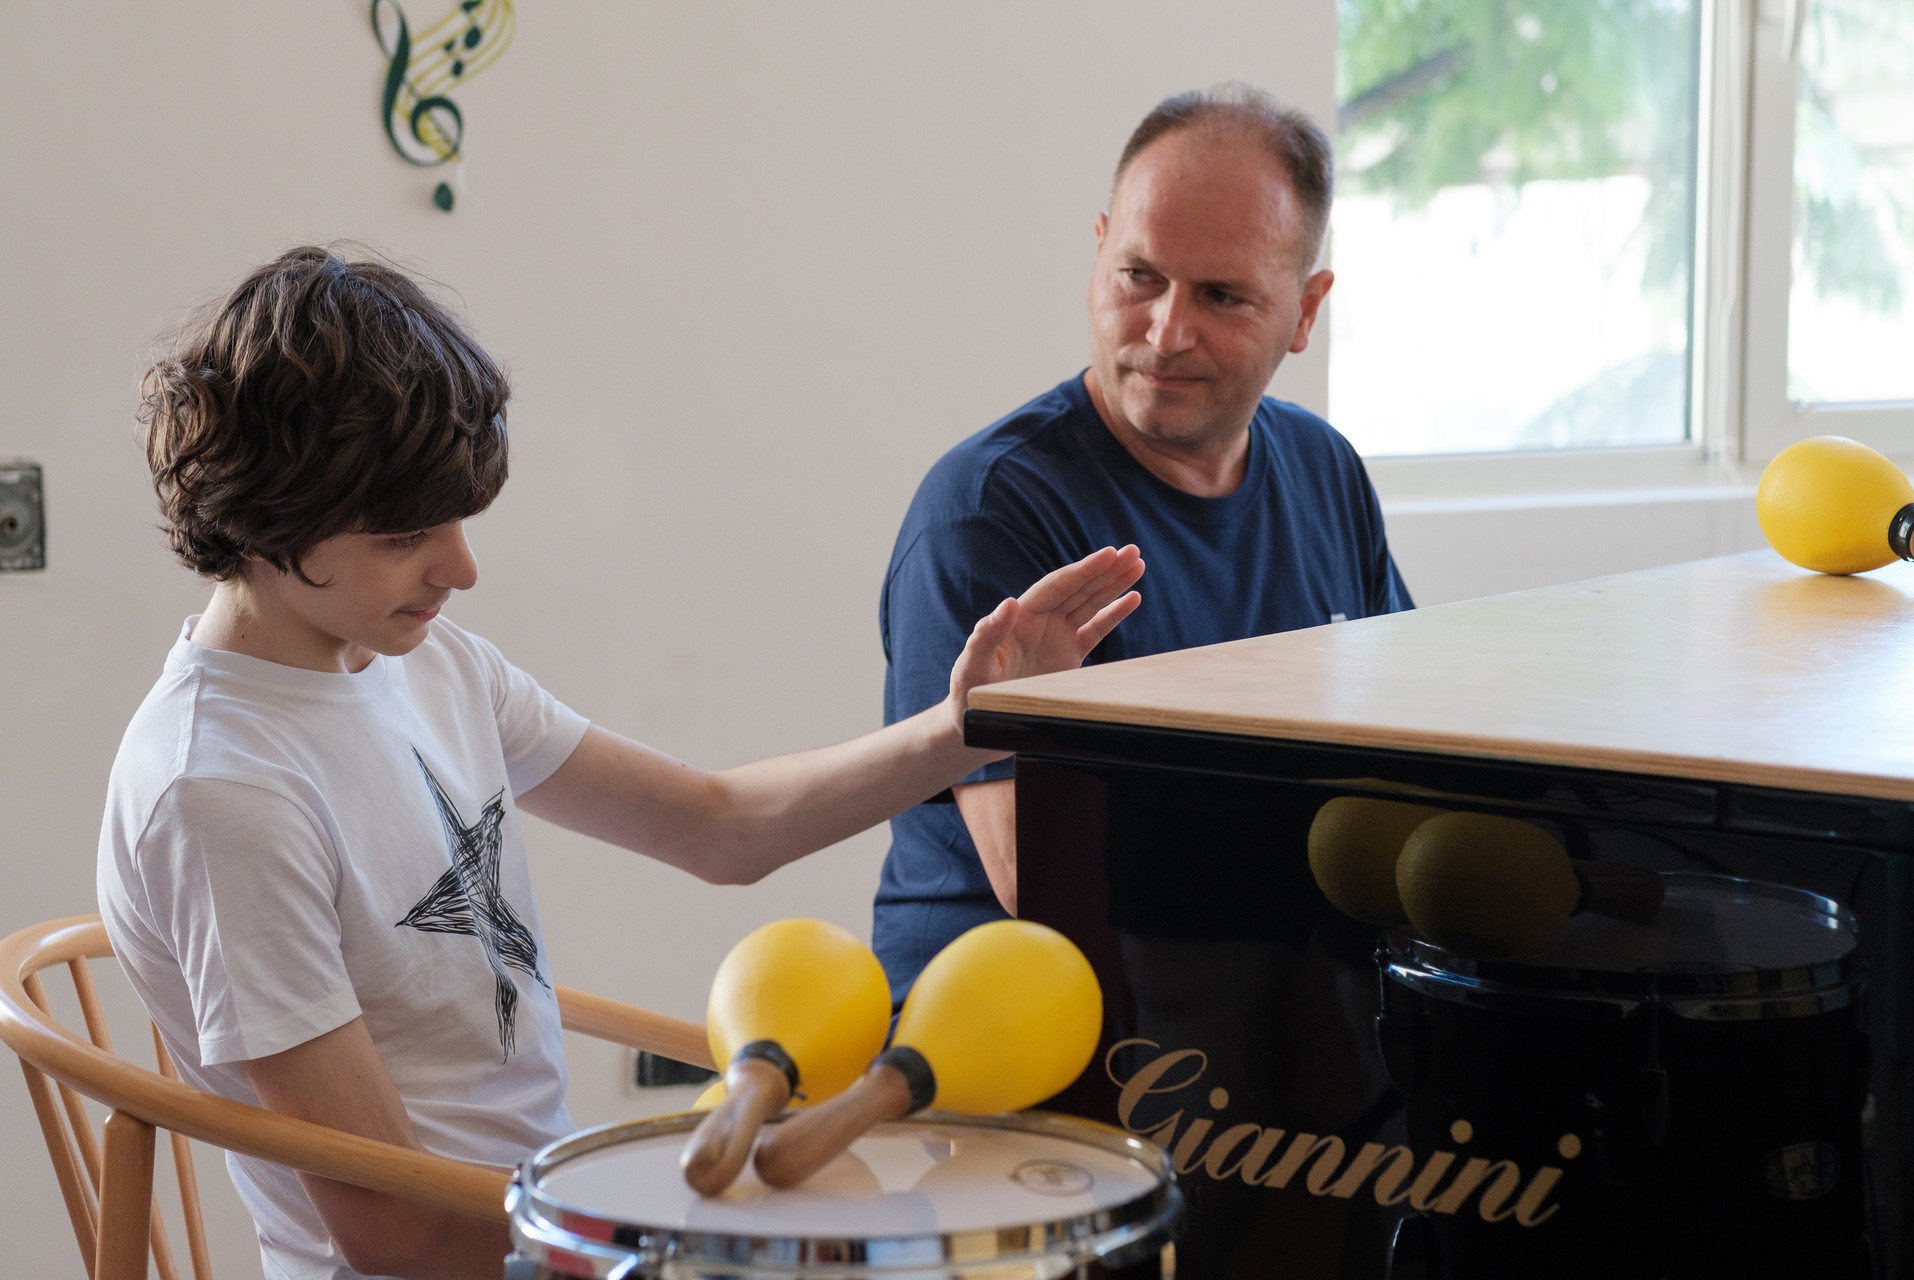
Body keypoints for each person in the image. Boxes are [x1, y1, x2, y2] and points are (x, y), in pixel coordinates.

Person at [97, 246, 1143, 1280]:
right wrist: (672, 1238)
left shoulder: (429, 663)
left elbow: (721, 827)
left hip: (549, 1224)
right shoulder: (219, 792)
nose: (462, 566)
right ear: (265, 517)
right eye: (406, 534)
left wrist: (969, 728)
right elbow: (395, 1231)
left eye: (458, 518)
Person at [873, 83, 1413, 1001]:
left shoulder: (1324, 470)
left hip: (1272, 1010)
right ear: (1097, 254)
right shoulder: (989, 512)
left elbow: (1406, 759)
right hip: (1011, 1043)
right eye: (1140, 276)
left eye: (1222, 295)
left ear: (1305, 311)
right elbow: (1049, 888)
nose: (1166, 333)